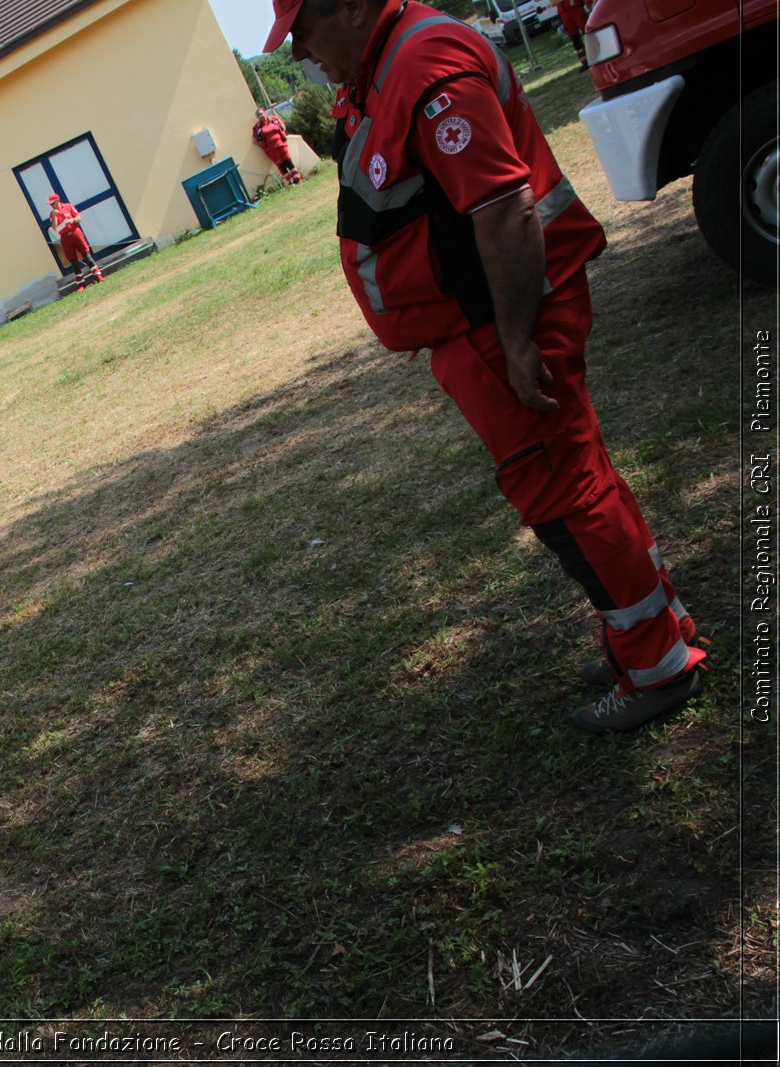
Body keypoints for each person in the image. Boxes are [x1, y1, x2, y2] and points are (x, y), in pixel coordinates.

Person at [265, 0, 707, 732]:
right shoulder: (386, 67)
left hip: (503, 327)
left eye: (304, 34)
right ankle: (656, 632)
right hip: (482, 329)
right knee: (580, 478)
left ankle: (657, 665)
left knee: (567, 497)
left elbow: (503, 208)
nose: (304, 56)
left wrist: (516, 337)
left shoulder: (426, 65)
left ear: (346, 9)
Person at [47, 192, 104, 291]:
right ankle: (81, 283)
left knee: (86, 255)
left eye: (53, 203)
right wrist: (55, 216)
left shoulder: (68, 206)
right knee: (73, 261)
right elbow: (54, 228)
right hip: (65, 238)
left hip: (75, 233)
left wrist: (72, 220)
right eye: (50, 204)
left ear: (57, 201)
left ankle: (98, 275)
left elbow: (79, 217)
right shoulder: (52, 214)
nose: (51, 205)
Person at [253, 107, 304, 185]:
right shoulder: (257, 127)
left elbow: (283, 126)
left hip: (281, 144)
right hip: (271, 150)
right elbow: (254, 140)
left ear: (265, 113)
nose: (260, 117)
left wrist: (282, 132)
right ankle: (290, 181)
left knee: (288, 161)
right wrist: (263, 146)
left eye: (261, 114)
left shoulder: (274, 119)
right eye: (258, 116)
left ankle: (297, 179)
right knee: (281, 165)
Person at [557, 0, 589, 68]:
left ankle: (596, 55)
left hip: (576, 8)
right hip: (564, 14)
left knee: (588, 33)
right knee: (575, 39)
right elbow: (553, 3)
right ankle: (584, 62)